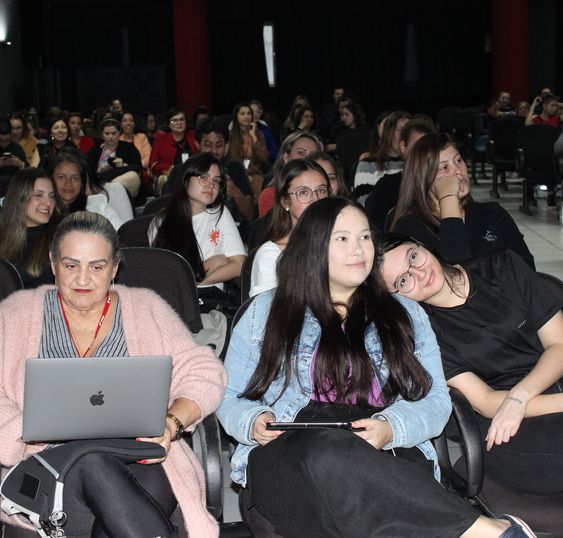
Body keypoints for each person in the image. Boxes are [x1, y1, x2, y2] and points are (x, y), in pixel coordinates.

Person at [218, 197, 537, 538]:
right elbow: (228, 395)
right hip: (287, 449)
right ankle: (485, 530)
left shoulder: (404, 314)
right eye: (342, 238)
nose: (358, 249)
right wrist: (253, 421)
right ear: (313, 247)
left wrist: (390, 427)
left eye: (365, 237)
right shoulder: (265, 313)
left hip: (382, 447)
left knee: (337, 481)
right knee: (324, 452)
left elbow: (435, 401)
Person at [377, 238, 563, 538]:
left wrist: (523, 397)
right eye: (403, 281)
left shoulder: (503, 268)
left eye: (413, 257)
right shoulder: (425, 333)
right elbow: (485, 401)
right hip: (507, 433)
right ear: (395, 297)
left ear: (421, 245)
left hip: (555, 407)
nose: (419, 273)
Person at [0, 211, 227, 537]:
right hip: (54, 468)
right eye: (71, 266)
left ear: (114, 268)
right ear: (53, 264)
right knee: (94, 464)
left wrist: (172, 422)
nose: (83, 280)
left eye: (97, 267)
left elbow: (204, 370)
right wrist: (24, 434)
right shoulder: (14, 314)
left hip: (140, 459)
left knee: (115, 487)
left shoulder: (146, 308)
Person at [391, 133, 535, 269]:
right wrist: (448, 198)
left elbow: (526, 268)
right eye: (444, 167)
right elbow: (457, 272)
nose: (458, 170)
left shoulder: (492, 213)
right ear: (423, 180)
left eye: (458, 160)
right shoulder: (410, 227)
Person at [149, 153, 246, 293]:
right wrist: (215, 261)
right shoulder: (161, 222)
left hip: (209, 298)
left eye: (216, 181)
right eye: (203, 178)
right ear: (186, 180)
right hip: (172, 300)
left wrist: (193, 283)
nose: (211, 185)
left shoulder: (220, 213)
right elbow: (165, 279)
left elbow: (239, 265)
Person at [249, 159, 330, 297]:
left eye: (321, 190)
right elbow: (265, 309)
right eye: (303, 192)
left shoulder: (340, 243)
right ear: (285, 201)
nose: (316, 199)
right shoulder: (271, 256)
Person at [0, 168, 60, 288]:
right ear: (19, 197)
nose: (48, 202)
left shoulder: (61, 238)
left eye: (51, 196)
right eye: (38, 195)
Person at [164, 119, 255, 224]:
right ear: (197, 144)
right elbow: (167, 211)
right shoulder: (181, 171)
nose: (214, 150)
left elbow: (250, 215)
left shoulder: (234, 168)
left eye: (219, 145)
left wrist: (235, 192)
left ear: (226, 146)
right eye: (208, 145)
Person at [365, 116, 436, 231]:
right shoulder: (386, 186)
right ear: (403, 146)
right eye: (417, 148)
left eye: (429, 149)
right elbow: (375, 231)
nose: (423, 155)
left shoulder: (441, 184)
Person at [49, 148, 133, 230]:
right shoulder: (45, 208)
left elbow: (126, 235)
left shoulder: (97, 206)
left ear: (82, 182)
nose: (68, 183)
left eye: (75, 178)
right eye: (61, 177)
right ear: (50, 179)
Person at [257, 131, 323, 216]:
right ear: (286, 157)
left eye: (313, 155)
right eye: (301, 153)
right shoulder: (272, 195)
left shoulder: (324, 192)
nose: (307, 159)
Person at [86, 118, 143, 199]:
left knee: (133, 176)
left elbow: (138, 167)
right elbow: (87, 170)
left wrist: (123, 165)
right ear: (102, 134)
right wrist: (99, 170)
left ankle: (107, 191)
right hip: (100, 182)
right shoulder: (94, 150)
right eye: (107, 133)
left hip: (122, 182)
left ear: (119, 133)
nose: (110, 136)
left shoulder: (129, 147)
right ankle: (107, 191)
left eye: (113, 133)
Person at [354, 111, 411, 190]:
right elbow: (362, 196)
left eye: (409, 131)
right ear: (388, 134)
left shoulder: (414, 164)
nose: (406, 135)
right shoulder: (368, 164)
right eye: (401, 130)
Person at [228, 102, 270, 197]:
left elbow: (264, 157)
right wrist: (244, 176)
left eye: (248, 113)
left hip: (254, 173)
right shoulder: (231, 135)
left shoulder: (258, 134)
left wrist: (254, 137)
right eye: (242, 114)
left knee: (259, 185)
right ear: (236, 116)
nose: (246, 116)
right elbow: (233, 157)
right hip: (237, 174)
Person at [149, 108, 198, 177]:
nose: (179, 123)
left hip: (191, 174)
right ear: (169, 125)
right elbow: (153, 163)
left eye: (182, 119)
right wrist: (172, 169)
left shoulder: (193, 136)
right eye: (174, 120)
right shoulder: (161, 139)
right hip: (169, 175)